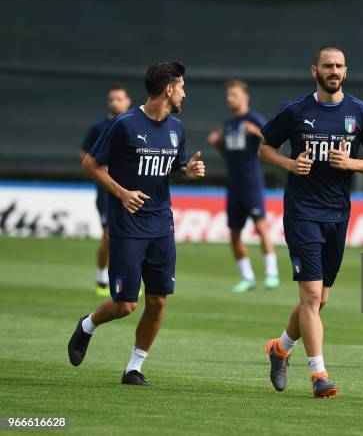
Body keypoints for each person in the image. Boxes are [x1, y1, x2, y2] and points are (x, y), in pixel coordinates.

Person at [259, 46, 363, 397]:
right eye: (328, 66)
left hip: (338, 215)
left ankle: (280, 347)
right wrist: (289, 164)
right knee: (312, 295)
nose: (334, 71)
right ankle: (319, 375)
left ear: (346, 71)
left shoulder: (362, 113)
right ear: (314, 70)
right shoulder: (296, 111)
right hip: (302, 213)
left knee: (318, 301)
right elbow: (265, 147)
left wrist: (352, 164)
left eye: (340, 66)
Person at [68, 61, 205, 386]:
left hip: (161, 224)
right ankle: (87, 325)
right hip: (128, 226)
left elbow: (170, 169)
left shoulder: (177, 129)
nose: (185, 93)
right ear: (169, 89)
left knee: (158, 300)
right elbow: (91, 163)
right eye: (182, 87)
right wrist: (122, 192)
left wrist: (186, 173)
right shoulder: (125, 124)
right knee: (125, 304)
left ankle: (134, 368)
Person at [207, 80, 280, 292]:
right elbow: (228, 152)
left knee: (260, 225)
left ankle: (271, 273)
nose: (230, 98)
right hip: (234, 184)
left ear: (245, 96)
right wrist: (218, 143)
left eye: (234, 94)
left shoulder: (253, 119)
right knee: (234, 232)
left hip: (251, 181)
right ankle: (247, 277)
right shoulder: (229, 124)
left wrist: (256, 131)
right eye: (228, 95)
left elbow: (272, 138)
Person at [79, 85, 131, 296]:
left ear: (127, 101)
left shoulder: (134, 124)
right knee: (109, 236)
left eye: (119, 99)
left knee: (130, 237)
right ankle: (102, 278)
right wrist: (100, 167)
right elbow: (85, 152)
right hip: (106, 192)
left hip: (129, 189)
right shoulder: (99, 127)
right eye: (111, 99)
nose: (114, 102)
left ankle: (128, 280)